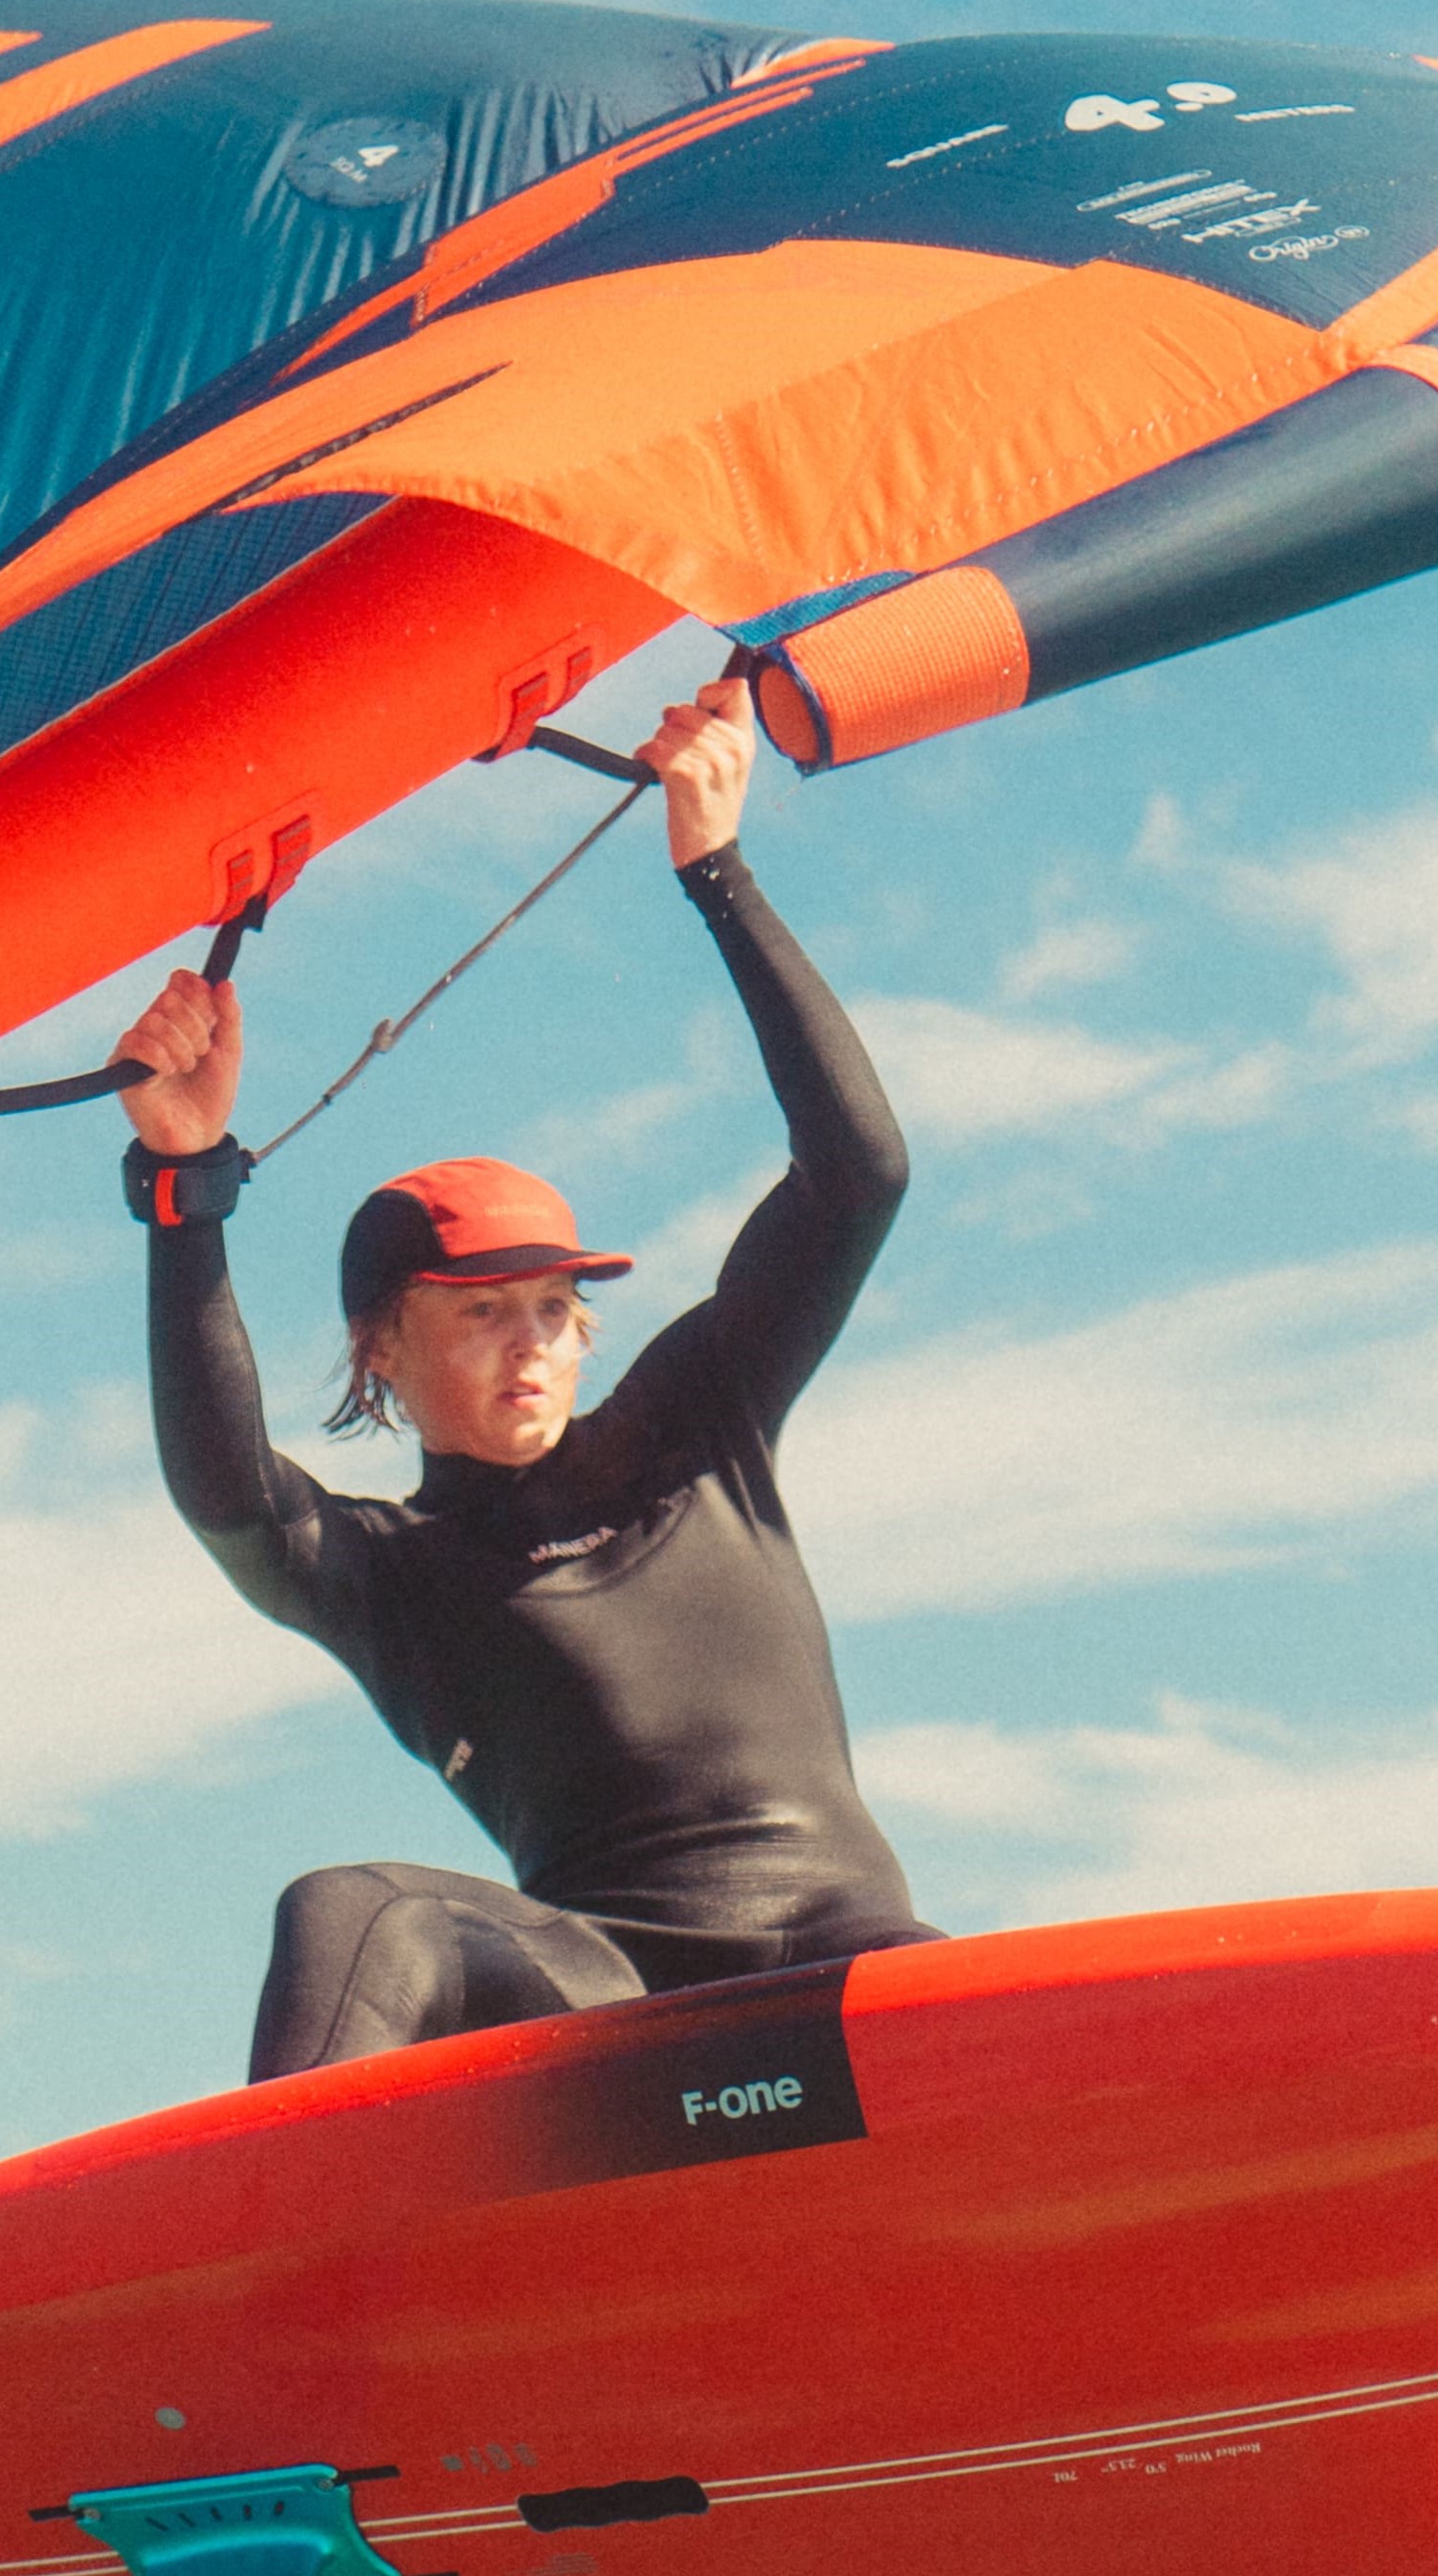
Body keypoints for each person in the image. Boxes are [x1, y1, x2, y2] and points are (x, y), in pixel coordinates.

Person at [108, 673, 934, 2080]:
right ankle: (275, 2281)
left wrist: (716, 873)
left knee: (968, 1997)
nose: (535, 1339)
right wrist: (184, 1187)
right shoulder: (391, 1570)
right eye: (484, 1311)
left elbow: (857, 1174)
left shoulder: (698, 1423)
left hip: (839, 1948)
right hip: (606, 1998)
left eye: (554, 1305)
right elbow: (227, 1493)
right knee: (350, 1914)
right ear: (383, 1345)